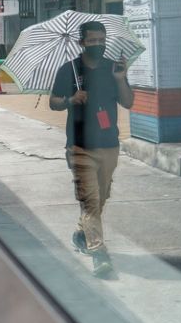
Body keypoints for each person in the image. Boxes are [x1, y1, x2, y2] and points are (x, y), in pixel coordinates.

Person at [49, 20, 134, 278]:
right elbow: (53, 102)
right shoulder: (69, 70)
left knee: (102, 197)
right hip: (79, 146)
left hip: (109, 144)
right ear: (81, 42)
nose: (98, 44)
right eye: (92, 40)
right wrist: (70, 99)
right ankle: (99, 253)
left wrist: (120, 78)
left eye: (101, 40)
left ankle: (80, 233)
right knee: (90, 201)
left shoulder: (113, 68)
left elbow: (128, 102)